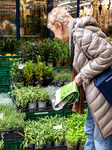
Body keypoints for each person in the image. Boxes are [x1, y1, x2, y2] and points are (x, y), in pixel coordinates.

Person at [47, 7, 112, 150]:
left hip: (102, 94)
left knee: (101, 137)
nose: (55, 36)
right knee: (90, 132)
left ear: (59, 25)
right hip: (95, 94)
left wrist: (83, 75)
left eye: (54, 32)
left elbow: (108, 53)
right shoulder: (76, 33)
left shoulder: (80, 33)